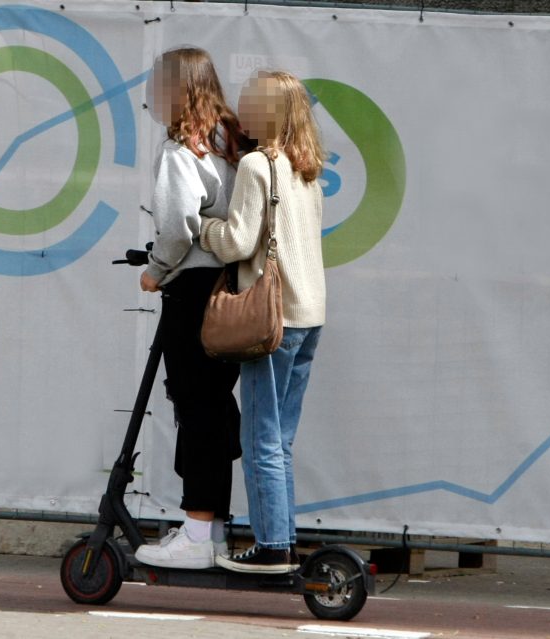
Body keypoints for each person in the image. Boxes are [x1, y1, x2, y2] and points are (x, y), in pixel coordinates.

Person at [200, 70, 326, 574]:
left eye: (251, 103)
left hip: (271, 318)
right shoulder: (306, 168)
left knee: (260, 439)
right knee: (281, 439)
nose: (243, 109)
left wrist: (204, 227)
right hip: (309, 315)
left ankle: (273, 546)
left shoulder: (257, 165)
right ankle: (283, 538)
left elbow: (235, 242)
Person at [134, 47, 251, 570]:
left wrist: (155, 271)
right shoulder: (232, 141)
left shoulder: (183, 149)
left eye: (159, 87)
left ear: (179, 92)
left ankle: (197, 532)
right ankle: (215, 529)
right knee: (216, 403)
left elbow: (178, 223)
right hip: (232, 285)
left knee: (194, 404)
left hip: (193, 289)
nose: (151, 98)